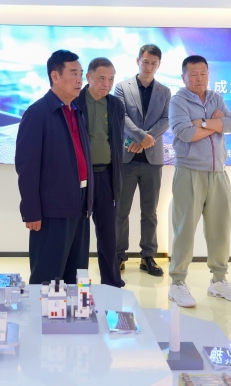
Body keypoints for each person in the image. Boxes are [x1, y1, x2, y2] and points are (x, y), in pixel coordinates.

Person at [167, 55, 231, 307]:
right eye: (194, 74)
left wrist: (202, 123)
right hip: (189, 171)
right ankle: (177, 283)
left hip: (219, 172)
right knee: (184, 229)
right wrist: (215, 123)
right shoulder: (178, 101)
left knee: (220, 229)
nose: (199, 78)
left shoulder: (216, 98)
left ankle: (219, 280)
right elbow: (186, 133)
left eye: (203, 73)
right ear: (184, 77)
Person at [16, 50, 93, 286]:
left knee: (76, 275)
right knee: (48, 276)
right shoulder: (38, 113)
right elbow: (27, 167)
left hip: (80, 202)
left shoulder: (76, 111)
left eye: (81, 74)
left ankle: (71, 310)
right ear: (55, 76)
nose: (80, 80)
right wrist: (31, 211)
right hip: (52, 207)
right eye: (74, 73)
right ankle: (39, 312)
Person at [114, 44, 170, 277]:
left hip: (152, 161)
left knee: (150, 212)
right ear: (138, 61)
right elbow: (121, 116)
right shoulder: (122, 87)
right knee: (121, 211)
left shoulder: (165, 91)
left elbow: (166, 119)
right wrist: (141, 137)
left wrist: (147, 140)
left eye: (153, 63)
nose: (149, 66)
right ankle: (118, 255)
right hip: (126, 158)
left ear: (159, 65)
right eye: (145, 62)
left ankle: (148, 256)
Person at [76, 57, 125, 288]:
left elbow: (116, 142)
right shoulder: (75, 102)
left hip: (106, 176)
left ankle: (112, 284)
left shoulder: (115, 105)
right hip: (81, 178)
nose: (107, 84)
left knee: (108, 234)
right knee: (79, 235)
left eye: (111, 79)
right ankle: (77, 283)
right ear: (88, 77)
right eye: (102, 78)